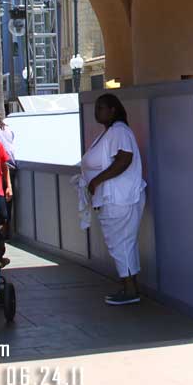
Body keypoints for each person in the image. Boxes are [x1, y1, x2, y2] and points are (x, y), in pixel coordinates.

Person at [83, 93, 147, 305]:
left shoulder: (119, 131)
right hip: (114, 198)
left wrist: (97, 181)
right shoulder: (111, 132)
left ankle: (129, 289)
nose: (96, 111)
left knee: (121, 243)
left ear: (112, 110)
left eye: (101, 108)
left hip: (120, 199)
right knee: (123, 243)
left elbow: (124, 159)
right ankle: (129, 285)